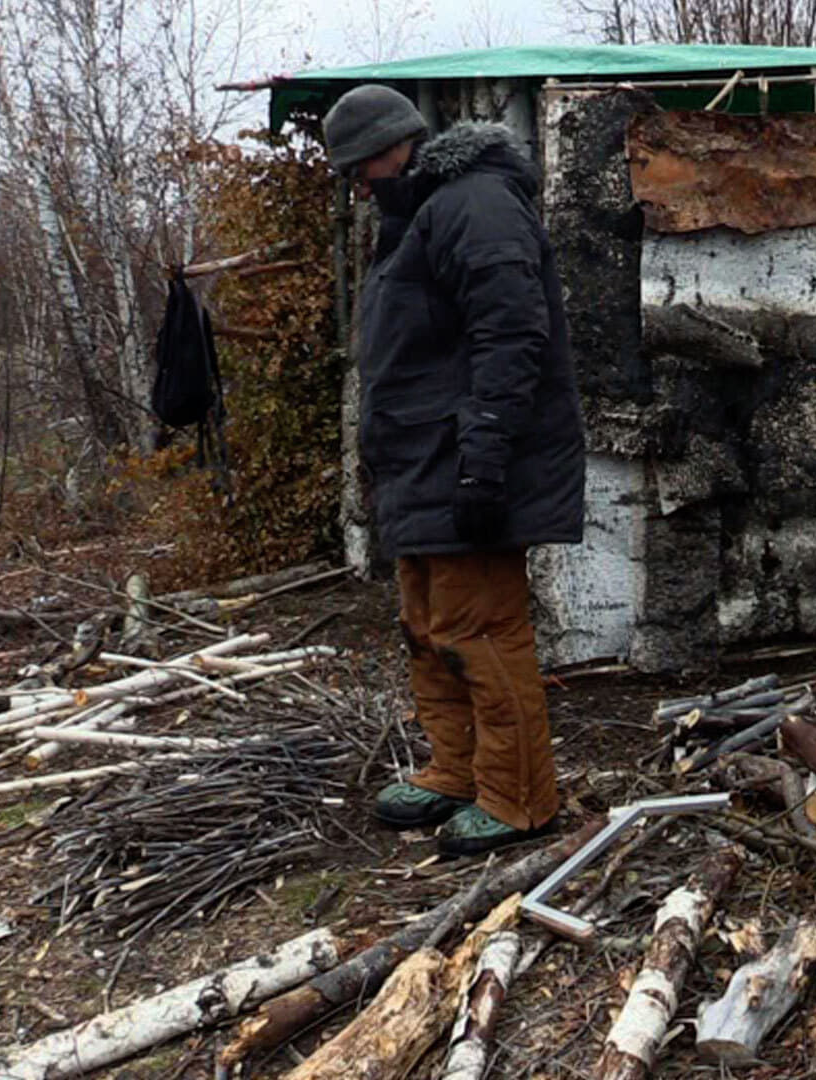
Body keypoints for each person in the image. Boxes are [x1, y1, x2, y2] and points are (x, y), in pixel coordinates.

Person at [323, 84, 584, 856]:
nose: (357, 189)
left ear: (391, 149)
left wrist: (484, 463)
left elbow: (514, 336)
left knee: (481, 631)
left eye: (358, 171)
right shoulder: (415, 216)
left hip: (468, 462)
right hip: (420, 466)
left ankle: (519, 797)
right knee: (427, 629)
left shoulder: (475, 203)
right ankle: (459, 770)